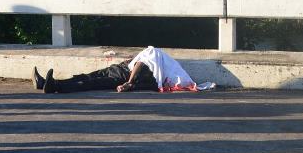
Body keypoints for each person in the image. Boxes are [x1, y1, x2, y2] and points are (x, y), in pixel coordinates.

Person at [34, 46, 194, 93]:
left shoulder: (159, 74)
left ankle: (54, 86)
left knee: (90, 80)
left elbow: (142, 67)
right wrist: (130, 83)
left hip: (122, 72)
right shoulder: (157, 58)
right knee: (89, 79)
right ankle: (46, 84)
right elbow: (141, 62)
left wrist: (130, 84)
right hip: (122, 72)